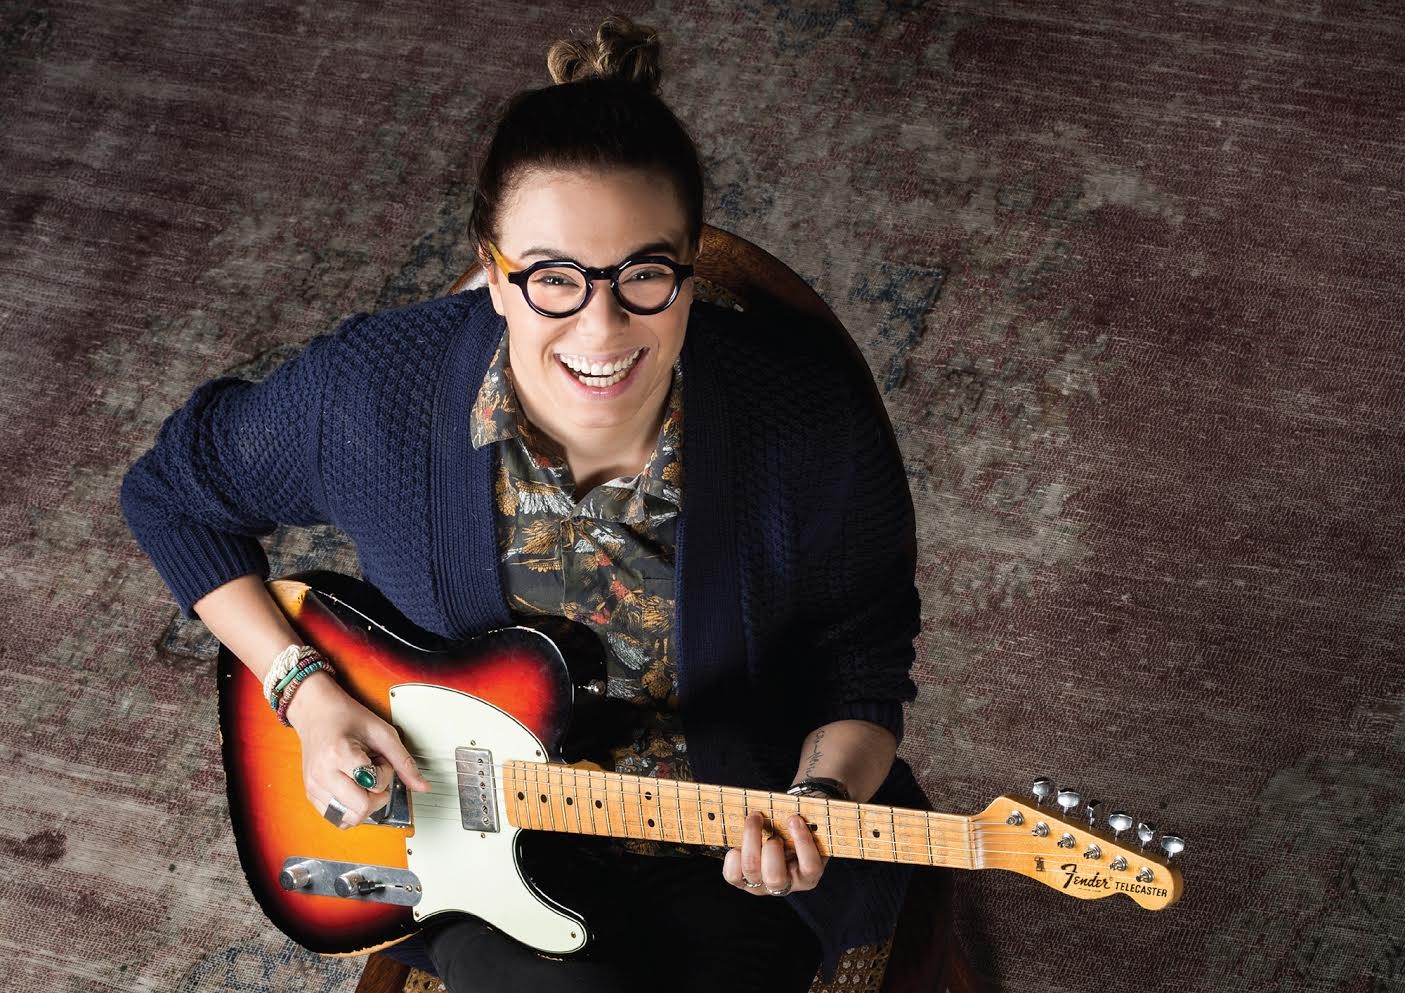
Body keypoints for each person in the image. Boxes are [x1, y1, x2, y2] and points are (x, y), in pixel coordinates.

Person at [120, 14, 927, 993]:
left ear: (686, 267)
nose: (600, 325)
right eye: (552, 278)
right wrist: (304, 689)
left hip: (727, 846)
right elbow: (170, 494)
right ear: (494, 272)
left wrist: (819, 795)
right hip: (466, 839)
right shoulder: (374, 394)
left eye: (644, 274)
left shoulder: (803, 419)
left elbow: (861, 660)